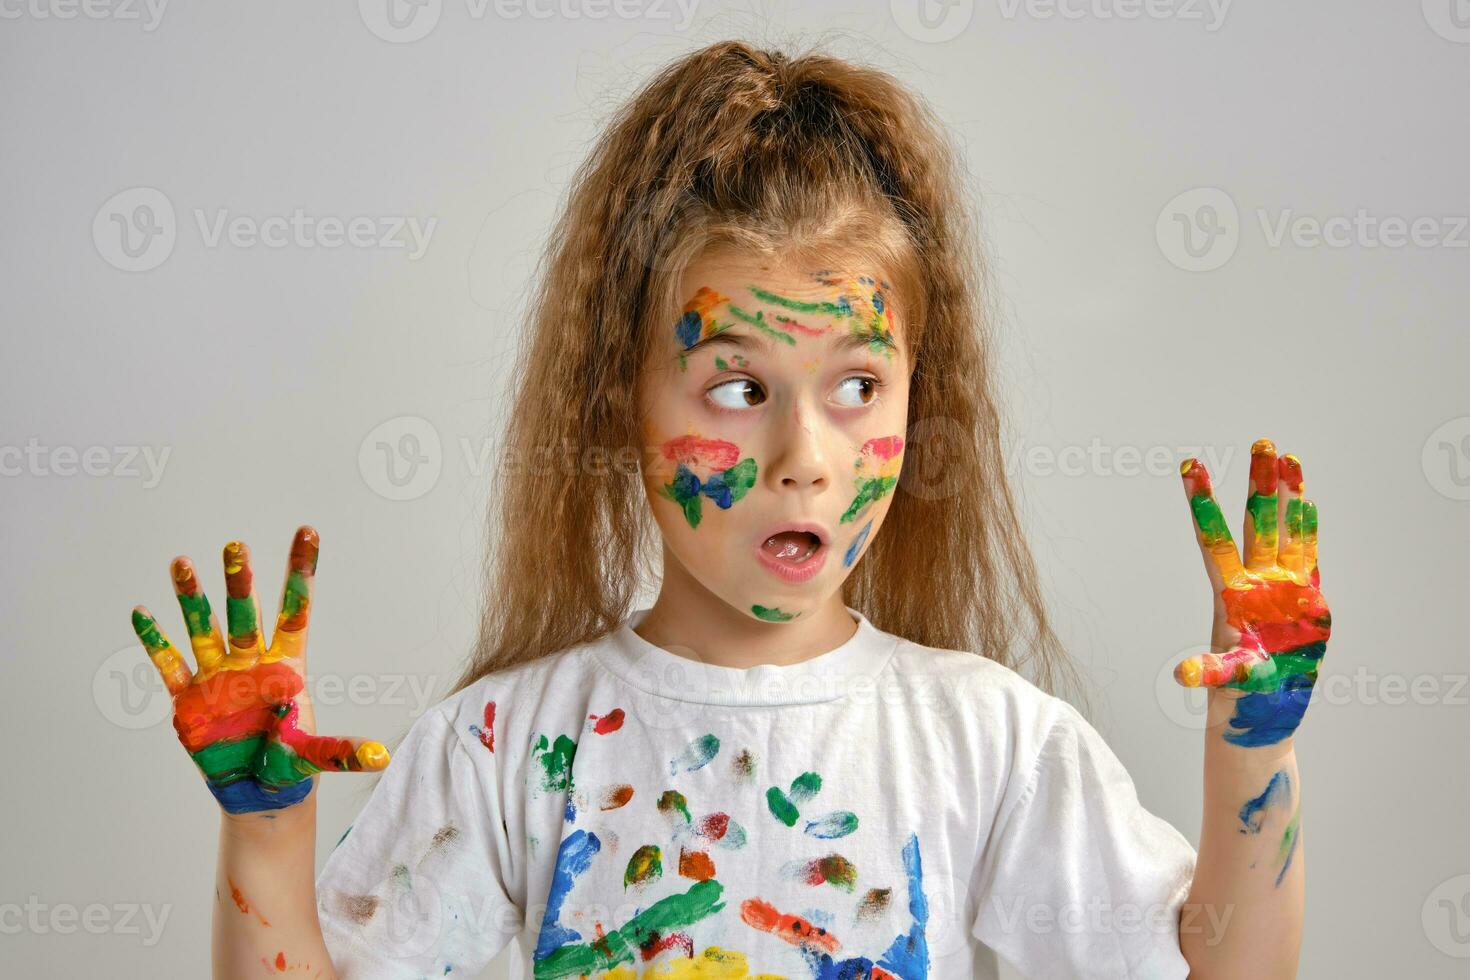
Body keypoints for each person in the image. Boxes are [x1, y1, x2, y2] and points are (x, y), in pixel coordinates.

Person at [129, 40, 1328, 979]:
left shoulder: (987, 738)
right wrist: (271, 832)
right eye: (740, 386)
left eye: (859, 386)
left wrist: (1256, 741)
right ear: (620, 399)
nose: (806, 455)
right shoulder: (505, 747)